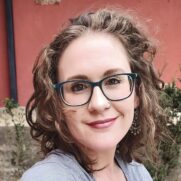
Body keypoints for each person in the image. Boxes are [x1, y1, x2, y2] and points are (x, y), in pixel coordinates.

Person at [21, 8, 165, 181]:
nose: (98, 103)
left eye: (113, 81)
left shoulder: (138, 173)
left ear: (137, 92)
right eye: (78, 86)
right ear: (57, 103)